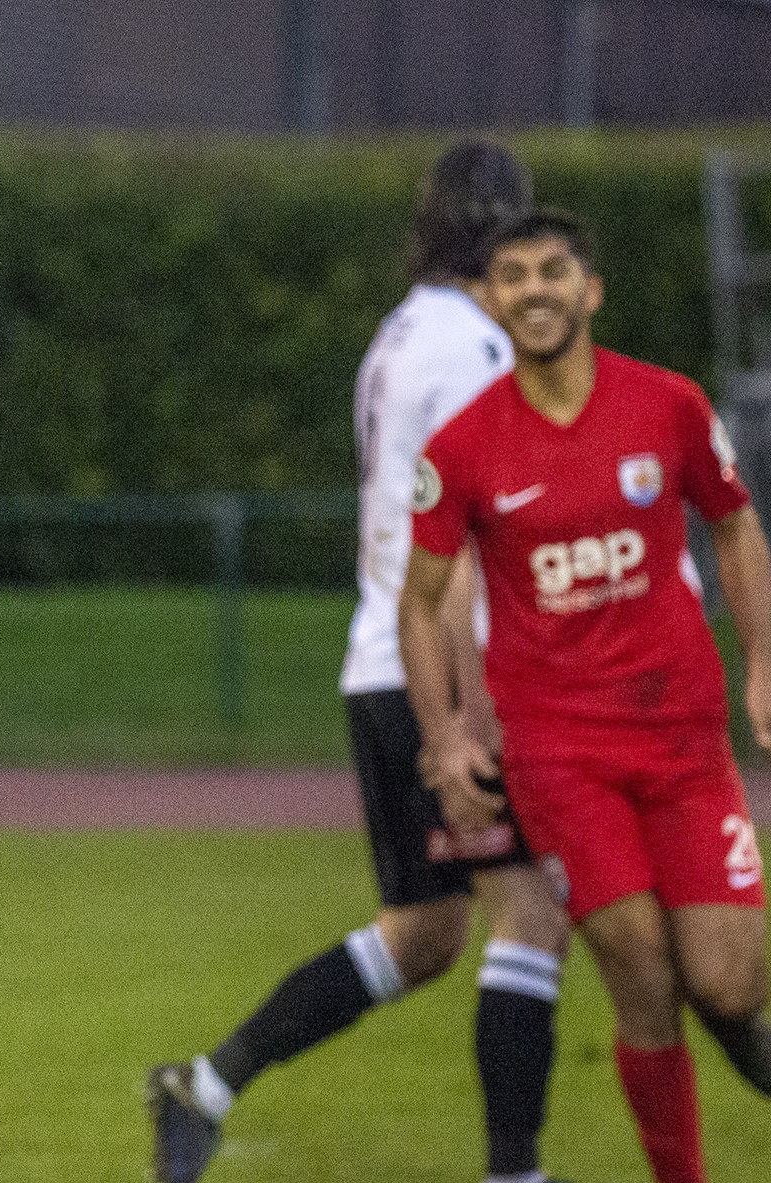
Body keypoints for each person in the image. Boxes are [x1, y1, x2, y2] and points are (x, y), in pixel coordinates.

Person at [147, 141, 575, 1183]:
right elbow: (477, 527)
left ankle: (205, 1084)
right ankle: (516, 1171)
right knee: (532, 910)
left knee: (426, 930)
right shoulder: (476, 347)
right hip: (442, 668)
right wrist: (471, 708)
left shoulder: (395, 340)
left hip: (378, 657)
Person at [403, 208, 771, 1183]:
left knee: (729, 979)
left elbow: (735, 528)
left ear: (589, 289)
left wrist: (763, 661)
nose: (534, 289)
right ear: (490, 299)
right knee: (642, 973)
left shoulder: (670, 407)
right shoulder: (464, 448)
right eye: (513, 275)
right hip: (559, 753)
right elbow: (422, 600)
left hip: (685, 739)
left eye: (553, 270)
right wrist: (443, 734)